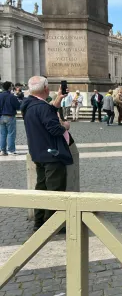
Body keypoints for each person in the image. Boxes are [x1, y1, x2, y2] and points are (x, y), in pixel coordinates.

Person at [21, 76, 72, 232]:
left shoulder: (28, 104)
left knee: (41, 187)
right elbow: (54, 128)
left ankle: (39, 221)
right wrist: (65, 126)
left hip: (38, 152)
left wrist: (57, 99)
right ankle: (53, 224)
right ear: (46, 89)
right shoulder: (42, 108)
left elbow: (44, 111)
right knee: (55, 189)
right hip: (53, 154)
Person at [0, 81, 20, 156]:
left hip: (1, 116)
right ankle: (11, 150)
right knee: (11, 134)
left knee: (2, 134)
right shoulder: (12, 96)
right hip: (10, 116)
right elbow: (18, 106)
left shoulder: (0, 95)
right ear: (9, 88)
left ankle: (2, 150)